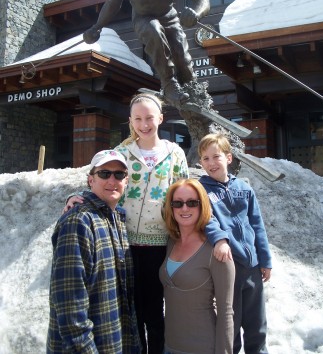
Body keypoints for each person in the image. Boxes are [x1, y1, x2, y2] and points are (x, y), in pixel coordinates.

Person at [64, 93, 189, 354]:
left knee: (155, 310)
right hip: (122, 242)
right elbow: (103, 183)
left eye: (150, 118)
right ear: (130, 121)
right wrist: (78, 196)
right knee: (129, 311)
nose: (144, 124)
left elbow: (185, 193)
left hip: (160, 245)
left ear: (161, 119)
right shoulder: (121, 153)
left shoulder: (174, 153)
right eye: (138, 119)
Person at [47, 149, 141, 353]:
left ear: (126, 181)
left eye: (119, 174)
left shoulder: (117, 218)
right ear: (91, 180)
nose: (112, 180)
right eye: (104, 173)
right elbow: (70, 304)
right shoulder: (78, 222)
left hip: (113, 341)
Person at [198, 133, 272, 354]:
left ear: (228, 158)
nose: (211, 163)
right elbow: (207, 221)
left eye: (216, 156)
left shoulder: (244, 188)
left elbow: (257, 225)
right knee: (231, 323)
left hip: (252, 267)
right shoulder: (202, 190)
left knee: (256, 324)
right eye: (205, 158)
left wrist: (265, 260)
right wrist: (221, 239)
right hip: (227, 267)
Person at [159, 178, 235, 354]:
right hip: (169, 346)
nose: (184, 208)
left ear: (202, 206)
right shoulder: (170, 242)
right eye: (178, 203)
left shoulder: (218, 252)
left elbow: (226, 312)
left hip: (202, 347)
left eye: (192, 203)